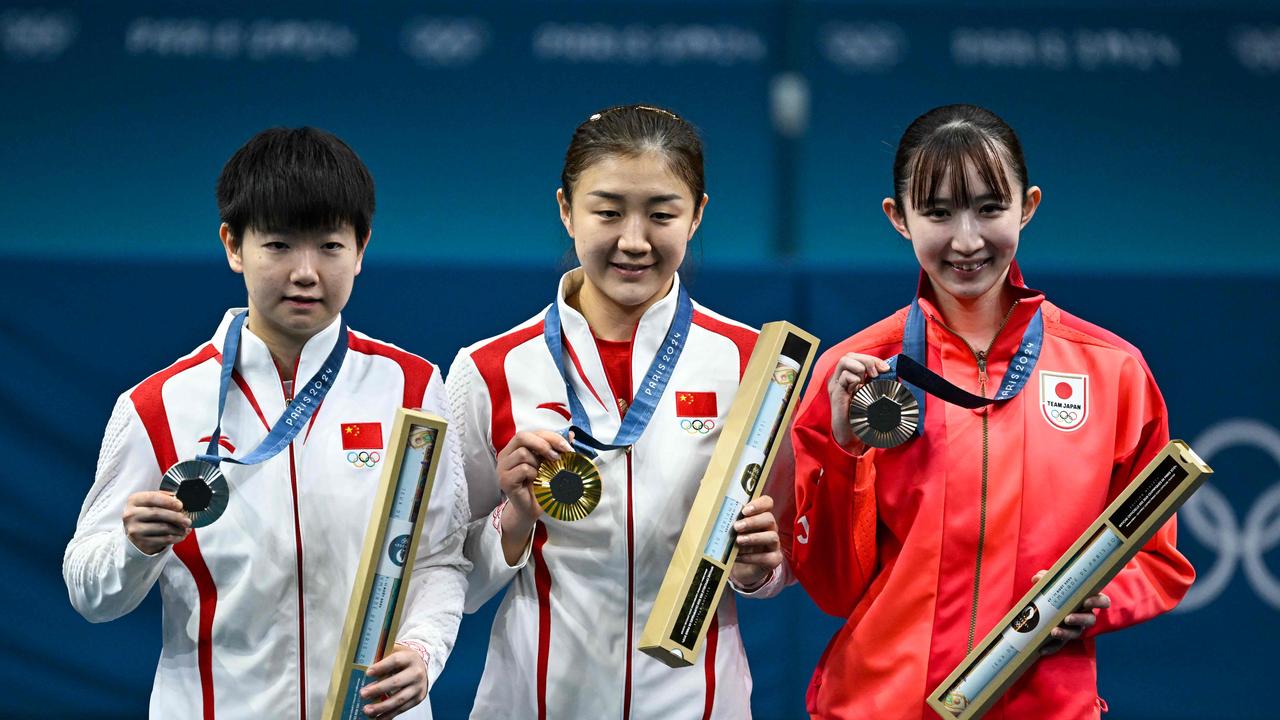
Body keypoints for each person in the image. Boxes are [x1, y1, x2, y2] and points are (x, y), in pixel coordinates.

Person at [788, 104, 1194, 719]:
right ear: (898, 218)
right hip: (879, 703)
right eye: (938, 212)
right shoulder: (855, 372)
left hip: (1046, 705)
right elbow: (834, 586)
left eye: (989, 207)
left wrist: (1098, 594)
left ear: (1027, 206)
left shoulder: (1112, 371)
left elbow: (1157, 556)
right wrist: (844, 454)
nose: (967, 239)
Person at [63, 127, 470, 719]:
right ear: (233, 246)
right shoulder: (159, 403)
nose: (306, 272)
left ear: (361, 248)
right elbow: (88, 592)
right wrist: (132, 547)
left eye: (330, 246)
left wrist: (422, 649)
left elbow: (438, 556)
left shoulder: (410, 387)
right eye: (278, 245)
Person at [447, 104, 788, 719]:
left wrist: (759, 568)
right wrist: (515, 518)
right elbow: (448, 578)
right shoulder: (491, 369)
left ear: (698, 215)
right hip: (534, 702)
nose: (634, 240)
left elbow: (776, 560)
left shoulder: (753, 366)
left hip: (699, 704)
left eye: (662, 214)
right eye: (607, 212)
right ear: (565, 210)